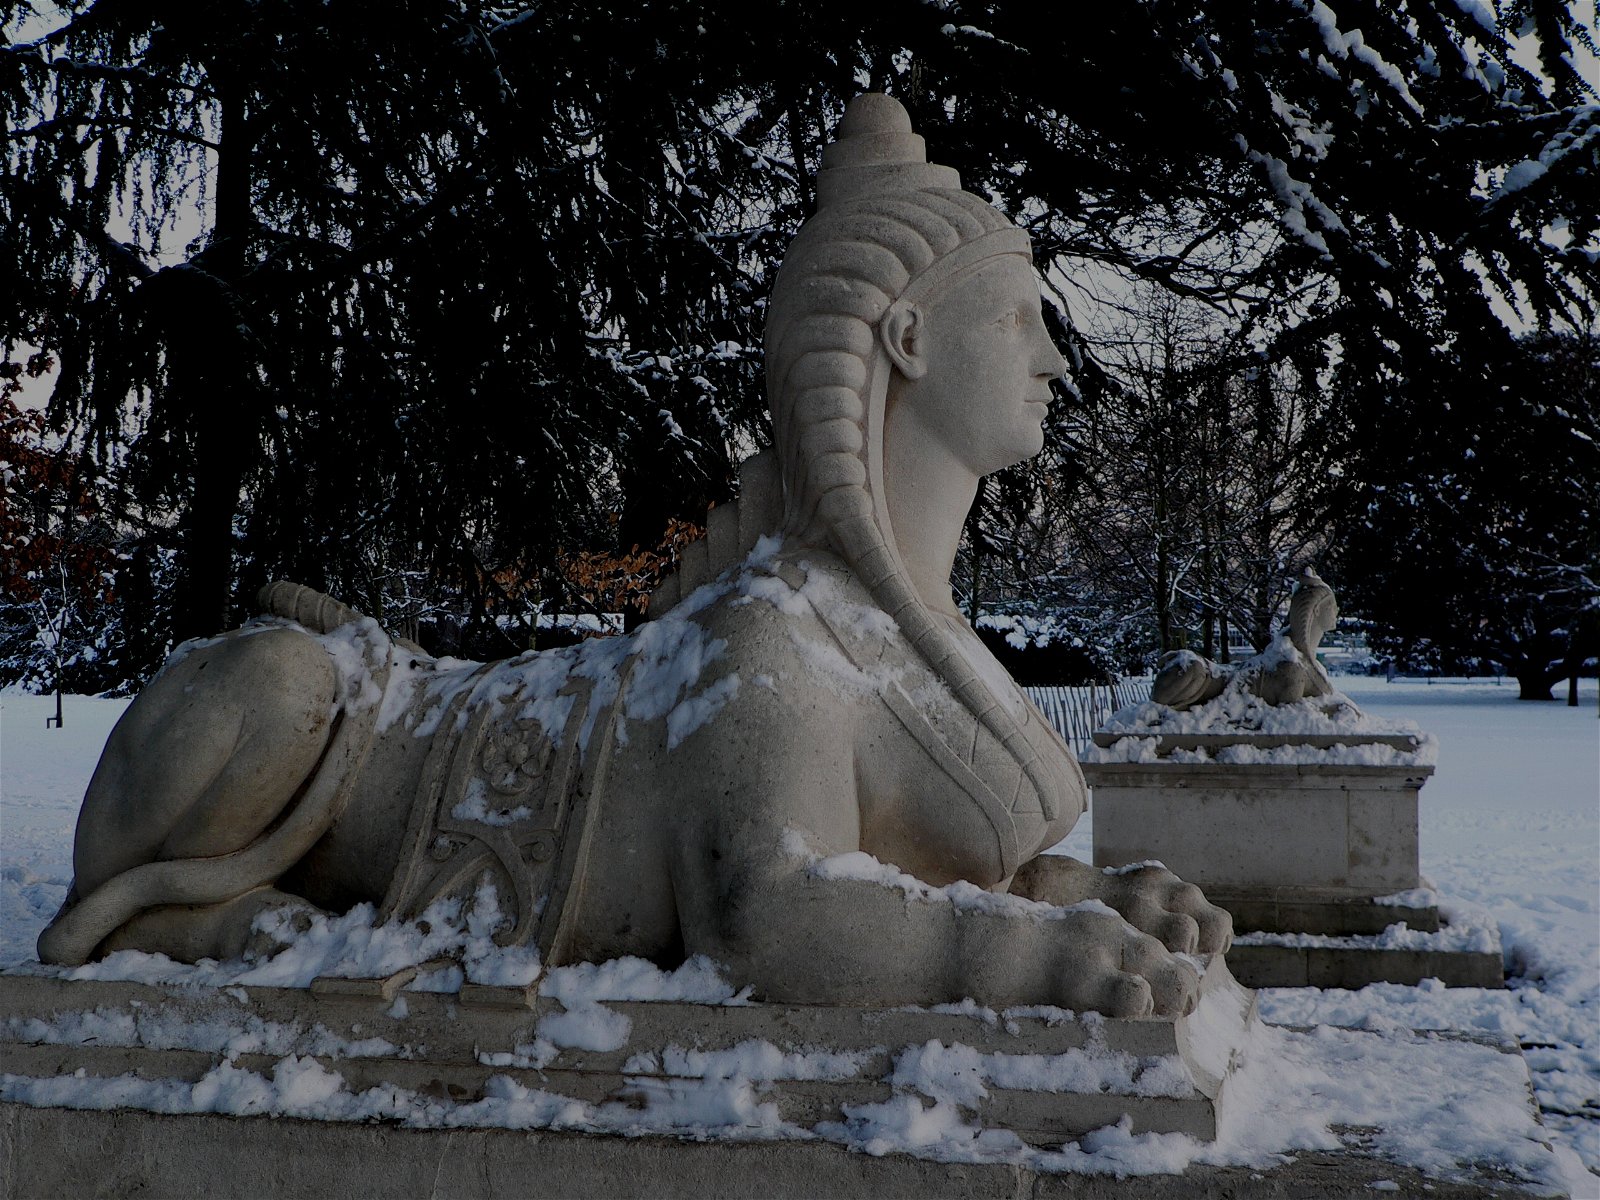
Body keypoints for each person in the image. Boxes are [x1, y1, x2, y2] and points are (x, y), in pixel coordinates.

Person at [40, 95, 1229, 1018]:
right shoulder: (767, 641)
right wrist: (1025, 949)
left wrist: (1069, 897)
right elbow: (764, 914)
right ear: (907, 338)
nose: (1054, 360)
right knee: (285, 683)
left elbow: (887, 864)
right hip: (333, 737)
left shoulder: (879, 638)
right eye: (1017, 317)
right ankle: (174, 919)